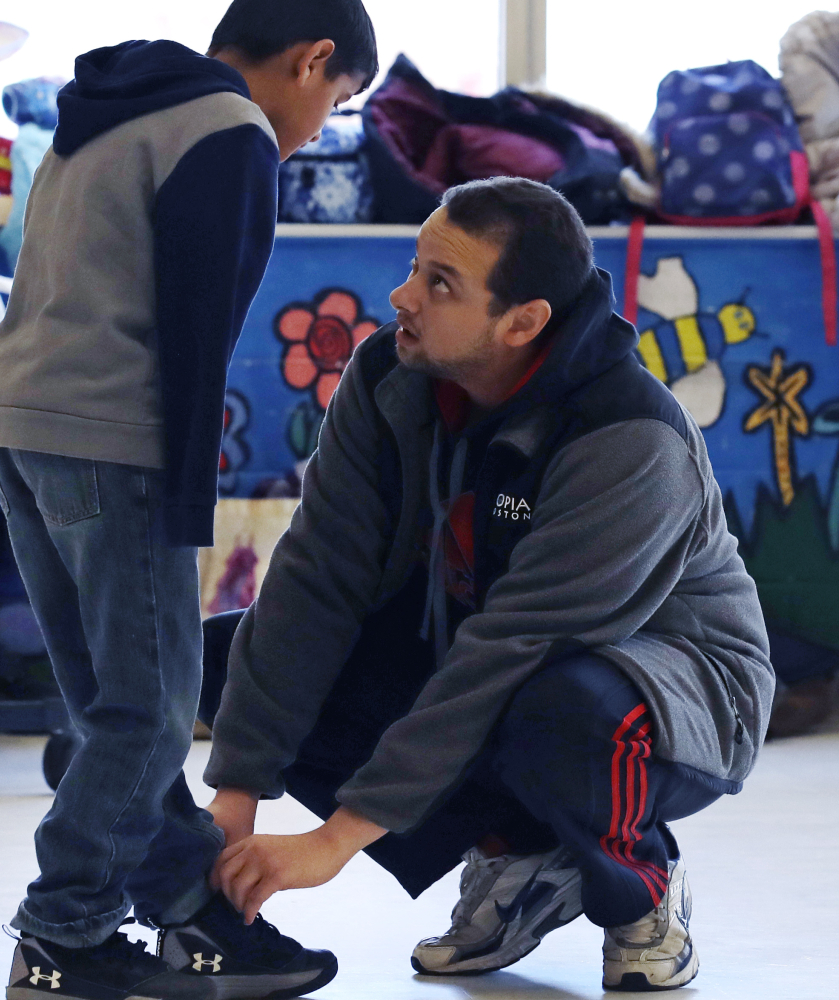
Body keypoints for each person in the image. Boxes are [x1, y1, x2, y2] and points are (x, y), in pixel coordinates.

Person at [198, 177, 775, 993]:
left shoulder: (627, 435)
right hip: (487, 654)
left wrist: (333, 841)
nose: (401, 296)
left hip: (674, 696)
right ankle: (519, 858)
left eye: (440, 283)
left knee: (563, 706)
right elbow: (314, 580)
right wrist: (237, 794)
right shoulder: (389, 376)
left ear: (522, 322)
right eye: (414, 266)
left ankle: (639, 894)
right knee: (230, 652)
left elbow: (512, 648)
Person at [0, 3, 377, 999]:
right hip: (115, 437)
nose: (320, 127)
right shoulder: (228, 128)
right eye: (334, 101)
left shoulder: (111, 108)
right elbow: (199, 328)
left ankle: (194, 914)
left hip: (20, 420)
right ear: (311, 59)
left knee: (106, 702)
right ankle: (63, 930)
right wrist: (186, 502)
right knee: (150, 715)